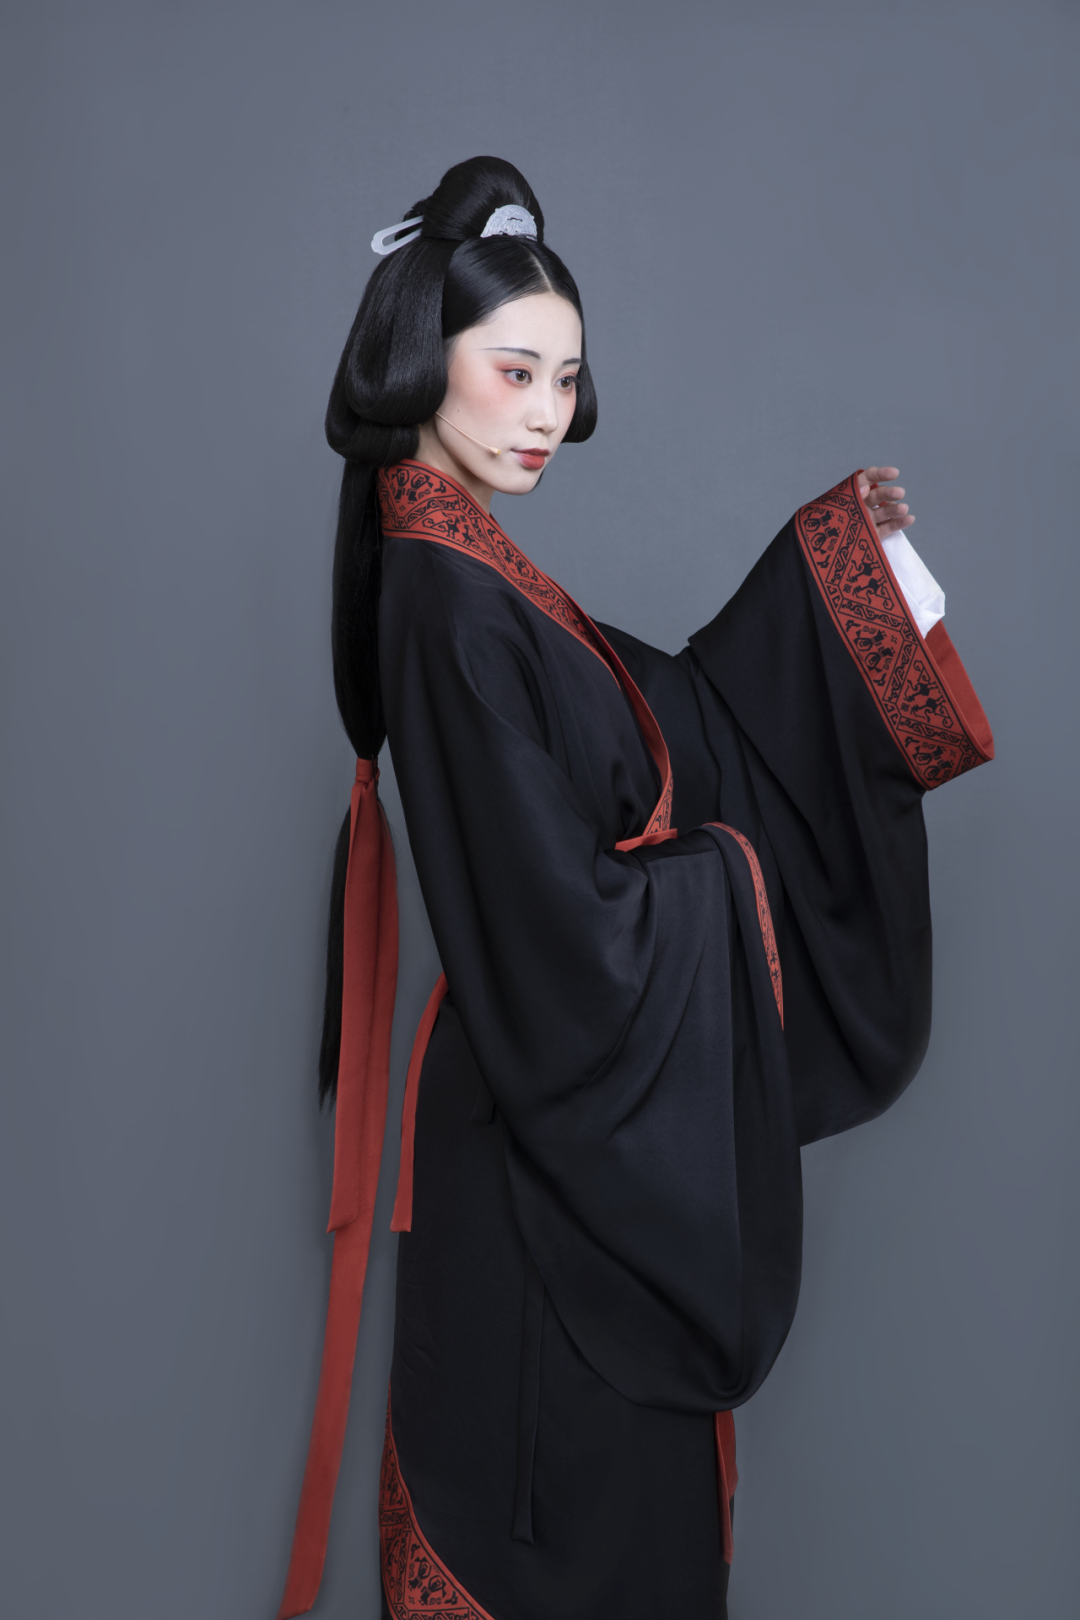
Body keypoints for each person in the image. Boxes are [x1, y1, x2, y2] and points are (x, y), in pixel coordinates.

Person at [275, 157, 993, 1620]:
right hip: (549, 1137)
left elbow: (665, 718)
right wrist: (727, 879)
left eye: (567, 378)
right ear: (427, 361)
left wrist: (832, 577)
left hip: (560, 1114)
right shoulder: (444, 595)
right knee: (568, 1520)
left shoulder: (471, 566)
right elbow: (565, 930)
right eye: (515, 372)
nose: (547, 413)